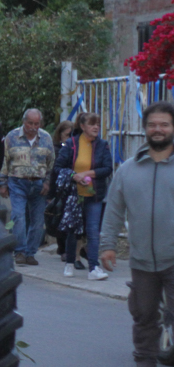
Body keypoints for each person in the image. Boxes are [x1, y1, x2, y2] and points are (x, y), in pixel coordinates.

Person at [100, 101, 174, 367]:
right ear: (145, 129)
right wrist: (107, 245)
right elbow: (114, 210)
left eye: (164, 124)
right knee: (144, 315)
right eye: (153, 125)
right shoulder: (128, 170)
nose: (158, 129)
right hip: (142, 258)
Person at [53, 111, 112, 280]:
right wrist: (74, 176)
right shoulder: (71, 144)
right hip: (74, 195)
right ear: (83, 126)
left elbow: (107, 168)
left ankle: (93, 268)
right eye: (92, 124)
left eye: (98, 124)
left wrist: (88, 173)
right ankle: (69, 263)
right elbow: (58, 167)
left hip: (94, 195)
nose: (96, 127)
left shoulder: (102, 145)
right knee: (73, 230)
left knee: (93, 231)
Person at [0, 109, 55, 266]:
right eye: (30, 123)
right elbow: (3, 161)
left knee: (37, 221)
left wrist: (48, 182)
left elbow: (51, 163)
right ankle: (20, 251)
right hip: (17, 182)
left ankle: (31, 253)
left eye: (36, 124)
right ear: (24, 122)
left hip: (39, 184)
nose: (33, 127)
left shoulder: (46, 138)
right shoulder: (12, 137)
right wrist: (2, 182)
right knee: (18, 216)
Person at [49, 120, 75, 259]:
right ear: (60, 135)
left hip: (74, 186)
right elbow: (54, 171)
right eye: (67, 135)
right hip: (60, 188)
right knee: (60, 216)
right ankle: (62, 248)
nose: (70, 138)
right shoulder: (56, 149)